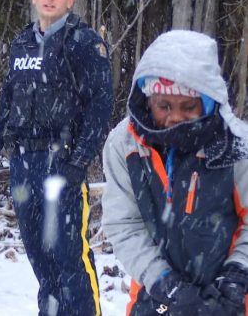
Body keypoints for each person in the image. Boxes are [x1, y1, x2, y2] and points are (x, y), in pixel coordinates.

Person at [0, 0, 113, 315]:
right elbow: (8, 98)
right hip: (24, 163)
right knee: (41, 260)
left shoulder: (84, 43)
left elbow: (101, 108)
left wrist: (79, 161)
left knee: (71, 259)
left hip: (62, 160)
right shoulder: (22, 42)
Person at [102, 30, 248, 316]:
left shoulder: (236, 144)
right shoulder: (124, 144)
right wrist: (163, 282)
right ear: (148, 100)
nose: (175, 117)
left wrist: (237, 275)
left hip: (228, 300)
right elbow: (124, 224)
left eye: (188, 106)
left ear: (206, 101)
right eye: (164, 106)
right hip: (154, 299)